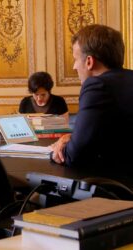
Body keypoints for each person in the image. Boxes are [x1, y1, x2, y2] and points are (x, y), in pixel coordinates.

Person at [51, 24, 133, 179]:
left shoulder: (97, 86)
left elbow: (73, 156)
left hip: (115, 193)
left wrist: (56, 151)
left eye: (75, 59)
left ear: (89, 61)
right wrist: (71, 137)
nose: (74, 67)